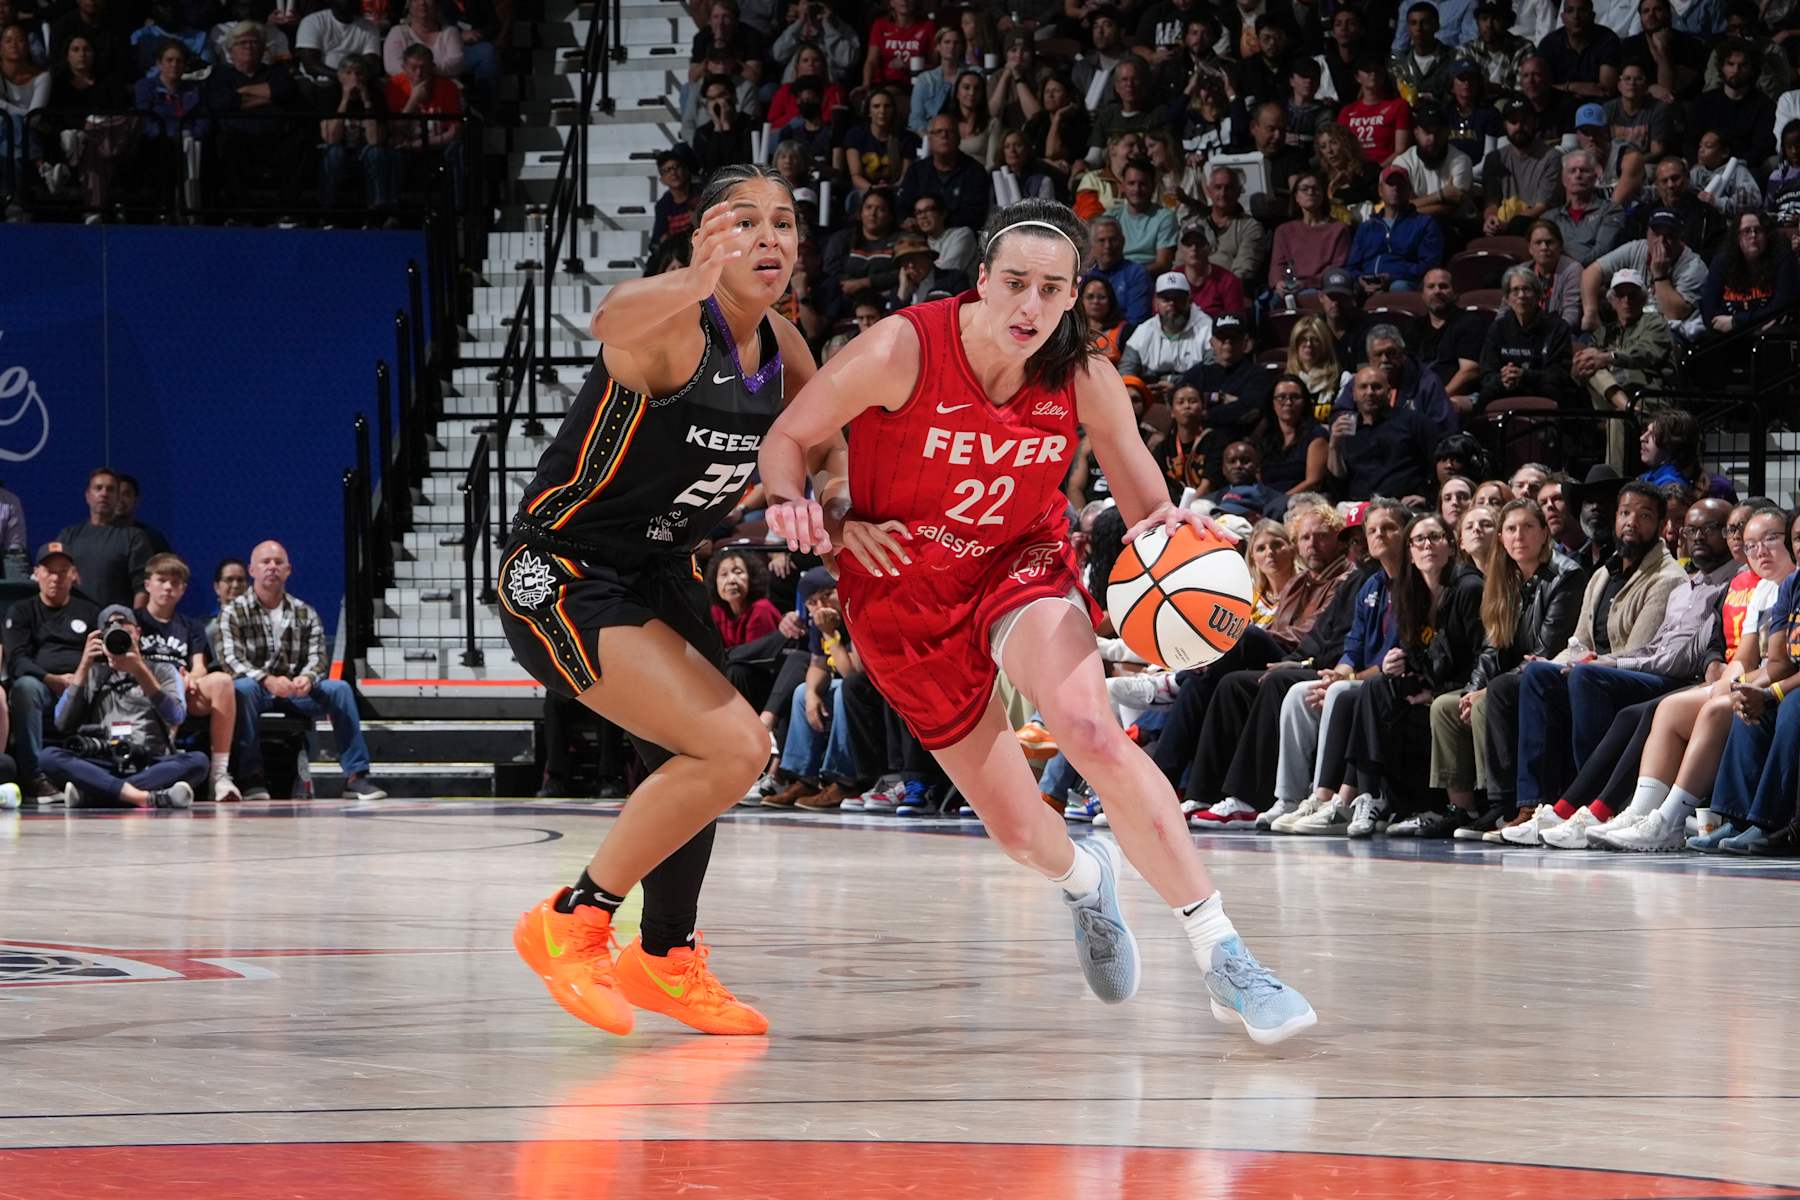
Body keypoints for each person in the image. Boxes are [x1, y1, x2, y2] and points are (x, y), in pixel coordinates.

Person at [760, 198, 1318, 1044]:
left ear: (1073, 295)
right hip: (901, 597)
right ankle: (1082, 877)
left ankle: (1224, 955)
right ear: (980, 281)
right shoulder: (902, 349)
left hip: (1018, 566)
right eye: (1014, 283)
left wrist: (1182, 533)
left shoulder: (1085, 377)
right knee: (1022, 832)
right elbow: (789, 438)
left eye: (1051, 289)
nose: (1030, 305)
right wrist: (802, 505)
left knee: (1094, 732)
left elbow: (1147, 509)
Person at [498, 165, 826, 1040]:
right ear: (701, 241)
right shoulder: (674, 327)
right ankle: (574, 916)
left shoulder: (786, 349)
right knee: (733, 745)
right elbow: (606, 321)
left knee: (710, 763)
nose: (769, 238)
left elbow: (827, 441)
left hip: (662, 573)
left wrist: (826, 499)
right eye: (743, 222)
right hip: (562, 572)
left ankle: (665, 958)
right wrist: (689, 273)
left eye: (785, 224)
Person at [1414, 497, 1583, 835]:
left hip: (1549, 676)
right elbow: (1492, 645)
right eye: (1510, 529)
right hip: (1510, 677)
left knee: (1491, 700)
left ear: (1544, 533)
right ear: (1502, 539)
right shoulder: (1504, 577)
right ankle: (1463, 808)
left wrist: (1486, 692)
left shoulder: (1566, 576)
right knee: (1446, 707)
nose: (1518, 536)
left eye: (1527, 527)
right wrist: (1474, 687)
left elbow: (1546, 651)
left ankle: (1501, 804)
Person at [220, 540, 385, 804]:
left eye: (278, 562)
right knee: (242, 688)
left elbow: (319, 658)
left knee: (339, 689)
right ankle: (252, 777)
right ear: (252, 570)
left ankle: (356, 777)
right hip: (258, 689)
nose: (272, 567)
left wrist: (307, 678)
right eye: (265, 562)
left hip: (297, 691)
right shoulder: (233, 612)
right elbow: (231, 660)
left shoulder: (305, 612)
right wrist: (268, 680)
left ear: (288, 570)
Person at [38, 604, 203, 809]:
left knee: (198, 761)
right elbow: (62, 722)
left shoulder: (164, 670)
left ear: (138, 633)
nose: (118, 632)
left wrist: (139, 670)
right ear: (99, 638)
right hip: (103, 763)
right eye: (110, 628)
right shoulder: (93, 673)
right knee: (48, 757)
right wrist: (83, 665)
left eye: (125, 626)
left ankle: (95, 795)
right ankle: (145, 797)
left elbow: (176, 716)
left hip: (150, 762)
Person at [137, 553, 241, 803]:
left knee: (222, 682)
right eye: (162, 580)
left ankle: (219, 775)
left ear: (183, 589)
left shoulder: (191, 626)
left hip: (185, 692)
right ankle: (157, 764)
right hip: (142, 690)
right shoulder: (134, 620)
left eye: (175, 583)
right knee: (165, 690)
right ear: (147, 584)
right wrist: (170, 680)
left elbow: (199, 667)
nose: (168, 587)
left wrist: (189, 678)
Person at [4, 542, 101, 798]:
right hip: (43, 685)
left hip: (84, 684)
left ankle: (104, 773)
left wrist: (79, 678)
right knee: (25, 687)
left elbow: (102, 657)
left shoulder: (90, 611)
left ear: (73, 575)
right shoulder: (22, 611)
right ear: (37, 573)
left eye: (63, 570)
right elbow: (17, 660)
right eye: (49, 571)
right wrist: (52, 679)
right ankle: (35, 777)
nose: (56, 577)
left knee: (109, 685)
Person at [1573, 268, 1671, 468]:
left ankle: (1614, 484)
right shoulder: (1603, 332)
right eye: (1620, 295)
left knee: (1616, 417)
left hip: (1647, 398)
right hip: (1609, 401)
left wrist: (1608, 357)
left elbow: (1646, 353)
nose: (1626, 300)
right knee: (1592, 363)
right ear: (1612, 301)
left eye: (1632, 294)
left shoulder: (1654, 323)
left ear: (1643, 299)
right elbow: (1582, 371)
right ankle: (1625, 405)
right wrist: (1578, 369)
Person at [1328, 366, 1437, 500]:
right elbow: (1338, 480)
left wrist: (1427, 497)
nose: (1369, 392)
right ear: (1353, 394)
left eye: (1376, 387)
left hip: (1404, 507)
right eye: (1363, 387)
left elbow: (1437, 462)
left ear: (1389, 393)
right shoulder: (1346, 428)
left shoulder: (1413, 421)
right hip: (1357, 508)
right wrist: (1334, 445)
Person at [1478, 263, 1573, 406]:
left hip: (1542, 390)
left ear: (1538, 296)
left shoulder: (1557, 327)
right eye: (1515, 290)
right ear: (1507, 298)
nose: (1521, 295)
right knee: (1486, 394)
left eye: (1527, 289)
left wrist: (1524, 376)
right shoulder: (1498, 328)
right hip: (1506, 389)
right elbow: (1486, 374)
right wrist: (1502, 378)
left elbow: (1560, 375)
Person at [55, 467, 150, 609]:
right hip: (73, 623)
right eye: (98, 488)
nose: (104, 493)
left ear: (118, 498)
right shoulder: (68, 535)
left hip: (115, 624)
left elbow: (142, 587)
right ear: (87, 496)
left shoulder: (134, 537)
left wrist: (134, 622)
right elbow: (53, 578)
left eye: (110, 489)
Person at [1343, 166, 1444, 291]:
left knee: (1399, 287)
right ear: (1380, 190)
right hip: (1366, 284)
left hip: (1404, 281)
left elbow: (1429, 265)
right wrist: (1360, 279)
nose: (1395, 188)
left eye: (1401, 184)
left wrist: (1393, 276)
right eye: (1390, 184)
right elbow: (1352, 266)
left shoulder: (1424, 223)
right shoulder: (1367, 227)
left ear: (1409, 190)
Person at [1700, 210, 1798, 336]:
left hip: (1768, 336)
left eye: (1758, 230)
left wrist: (1736, 322)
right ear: (1737, 237)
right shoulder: (1722, 262)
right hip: (1730, 338)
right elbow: (1709, 312)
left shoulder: (1782, 259)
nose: (1753, 235)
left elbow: (1781, 307)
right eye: (1747, 231)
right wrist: (1755, 324)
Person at [1119, 271, 1213, 395]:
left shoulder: (1207, 327)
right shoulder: (1144, 330)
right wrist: (1140, 390)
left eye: (1178, 298)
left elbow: (1213, 371)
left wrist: (1179, 386)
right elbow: (1126, 371)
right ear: (1156, 303)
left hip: (1193, 395)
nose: (1172, 304)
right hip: (1150, 395)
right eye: (1166, 299)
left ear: (1189, 300)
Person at [1479, 99, 1560, 236]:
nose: (1519, 127)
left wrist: (1508, 225)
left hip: (1536, 224)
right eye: (1513, 122)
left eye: (1525, 121)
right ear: (1505, 125)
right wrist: (1491, 219)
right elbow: (1491, 203)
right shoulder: (1495, 158)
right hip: (1502, 224)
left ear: (1535, 123)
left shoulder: (1551, 157)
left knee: (1520, 224)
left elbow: (1541, 207)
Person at [1267, 171, 1353, 299]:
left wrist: (1306, 284)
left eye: (1315, 188)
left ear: (1323, 195)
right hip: (1289, 286)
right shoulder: (1283, 231)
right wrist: (1278, 283)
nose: (1310, 192)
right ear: (1296, 196)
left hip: (1320, 288)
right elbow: (1277, 264)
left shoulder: (1338, 229)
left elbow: (1336, 267)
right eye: (1304, 189)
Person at [1417, 266, 1485, 407]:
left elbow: (1470, 372)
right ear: (1422, 295)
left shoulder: (1470, 322)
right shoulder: (1414, 327)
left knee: (1447, 408)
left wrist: (1435, 399)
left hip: (1461, 396)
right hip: (1422, 397)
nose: (1437, 291)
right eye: (1431, 287)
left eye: (1443, 286)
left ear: (1455, 294)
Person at [1546, 148, 1625, 266]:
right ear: (1564, 180)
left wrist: (1571, 269)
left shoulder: (1611, 211)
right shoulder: (1550, 218)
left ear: (1595, 177)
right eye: (1572, 171)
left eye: (1584, 170)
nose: (1578, 175)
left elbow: (1603, 251)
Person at [1261, 371, 1330, 495]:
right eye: (1281, 397)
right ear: (1272, 402)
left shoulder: (1316, 435)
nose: (1288, 403)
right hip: (1267, 501)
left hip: (1302, 501)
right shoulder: (1265, 437)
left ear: (1304, 402)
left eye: (1295, 397)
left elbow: (1314, 482)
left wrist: (1281, 501)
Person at [1084, 214, 1151, 325]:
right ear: (1091, 245)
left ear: (1123, 241)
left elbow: (1136, 321)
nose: (1108, 246)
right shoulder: (1085, 275)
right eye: (1101, 240)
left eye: (1113, 240)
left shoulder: (1136, 274)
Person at [1176, 228, 1248, 317]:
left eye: (1200, 243)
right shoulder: (1171, 279)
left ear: (1209, 248)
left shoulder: (1229, 281)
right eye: (1188, 244)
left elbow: (1236, 322)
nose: (1194, 248)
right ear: (1181, 249)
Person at [1285, 313, 1349, 409]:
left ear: (1325, 344)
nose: (1308, 344)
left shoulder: (1342, 379)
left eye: (1315, 340)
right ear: (1295, 345)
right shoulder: (1283, 383)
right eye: (1303, 339)